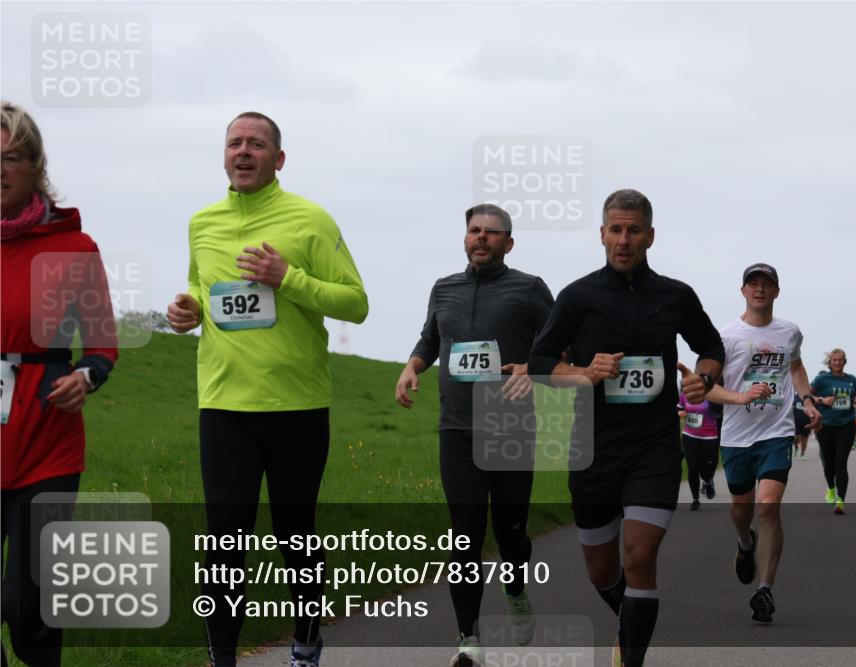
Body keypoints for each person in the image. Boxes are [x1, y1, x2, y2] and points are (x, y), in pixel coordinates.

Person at [166, 111, 368, 667]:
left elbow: (356, 302)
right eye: (235, 143)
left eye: (257, 144)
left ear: (278, 159)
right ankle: (222, 657)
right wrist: (189, 308)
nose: (244, 151)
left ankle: (305, 643)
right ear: (224, 156)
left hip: (297, 406)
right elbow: (201, 288)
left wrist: (288, 278)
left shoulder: (310, 220)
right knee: (224, 541)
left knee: (295, 535)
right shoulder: (202, 223)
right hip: (224, 406)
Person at [528, 189, 724, 667]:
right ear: (601, 235)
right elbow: (538, 363)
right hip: (592, 450)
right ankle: (631, 619)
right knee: (602, 571)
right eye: (615, 229)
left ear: (650, 236)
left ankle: (629, 659)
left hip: (653, 449)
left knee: (639, 556)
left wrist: (706, 379)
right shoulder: (577, 297)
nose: (624, 239)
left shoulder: (676, 295)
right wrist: (581, 374)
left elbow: (711, 345)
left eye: (633, 230)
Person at [395, 203, 554, 667]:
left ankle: (517, 587)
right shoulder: (444, 289)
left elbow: (560, 341)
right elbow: (430, 339)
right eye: (473, 231)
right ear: (465, 238)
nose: (480, 238)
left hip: (511, 428)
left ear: (509, 241)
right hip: (457, 429)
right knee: (464, 534)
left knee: (511, 533)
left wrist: (531, 366)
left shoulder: (529, 289)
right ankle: (468, 639)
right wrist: (412, 366)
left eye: (490, 232)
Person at [1, 101, 118, 666]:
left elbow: (101, 341)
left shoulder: (73, 248)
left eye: (11, 158)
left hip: (46, 444)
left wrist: (86, 375)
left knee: (30, 602)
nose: (0, 170)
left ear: (35, 165)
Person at [705, 263, 821, 624]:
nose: (759, 289)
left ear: (776, 292)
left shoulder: (790, 332)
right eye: (753, 284)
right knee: (742, 511)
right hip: (738, 436)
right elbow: (708, 386)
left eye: (766, 284)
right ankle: (744, 543)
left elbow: (796, 366)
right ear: (742, 291)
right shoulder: (725, 336)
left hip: (776, 431)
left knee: (768, 507)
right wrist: (740, 398)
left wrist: (807, 399)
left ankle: (765, 589)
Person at [811, 349, 856, 515]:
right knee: (829, 463)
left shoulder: (851, 380)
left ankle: (840, 501)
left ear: (844, 362)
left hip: (846, 425)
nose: (837, 363)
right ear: (830, 362)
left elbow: (854, 394)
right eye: (834, 360)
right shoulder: (821, 379)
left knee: (841, 463)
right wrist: (822, 400)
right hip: (826, 425)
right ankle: (831, 488)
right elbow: (806, 396)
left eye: (840, 360)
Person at [676, 386, 720, 510]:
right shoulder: (686, 394)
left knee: (706, 466)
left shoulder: (712, 395)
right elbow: (679, 407)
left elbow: (719, 412)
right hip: (690, 434)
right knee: (692, 467)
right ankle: (695, 499)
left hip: (709, 435)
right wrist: (681, 413)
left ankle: (707, 481)